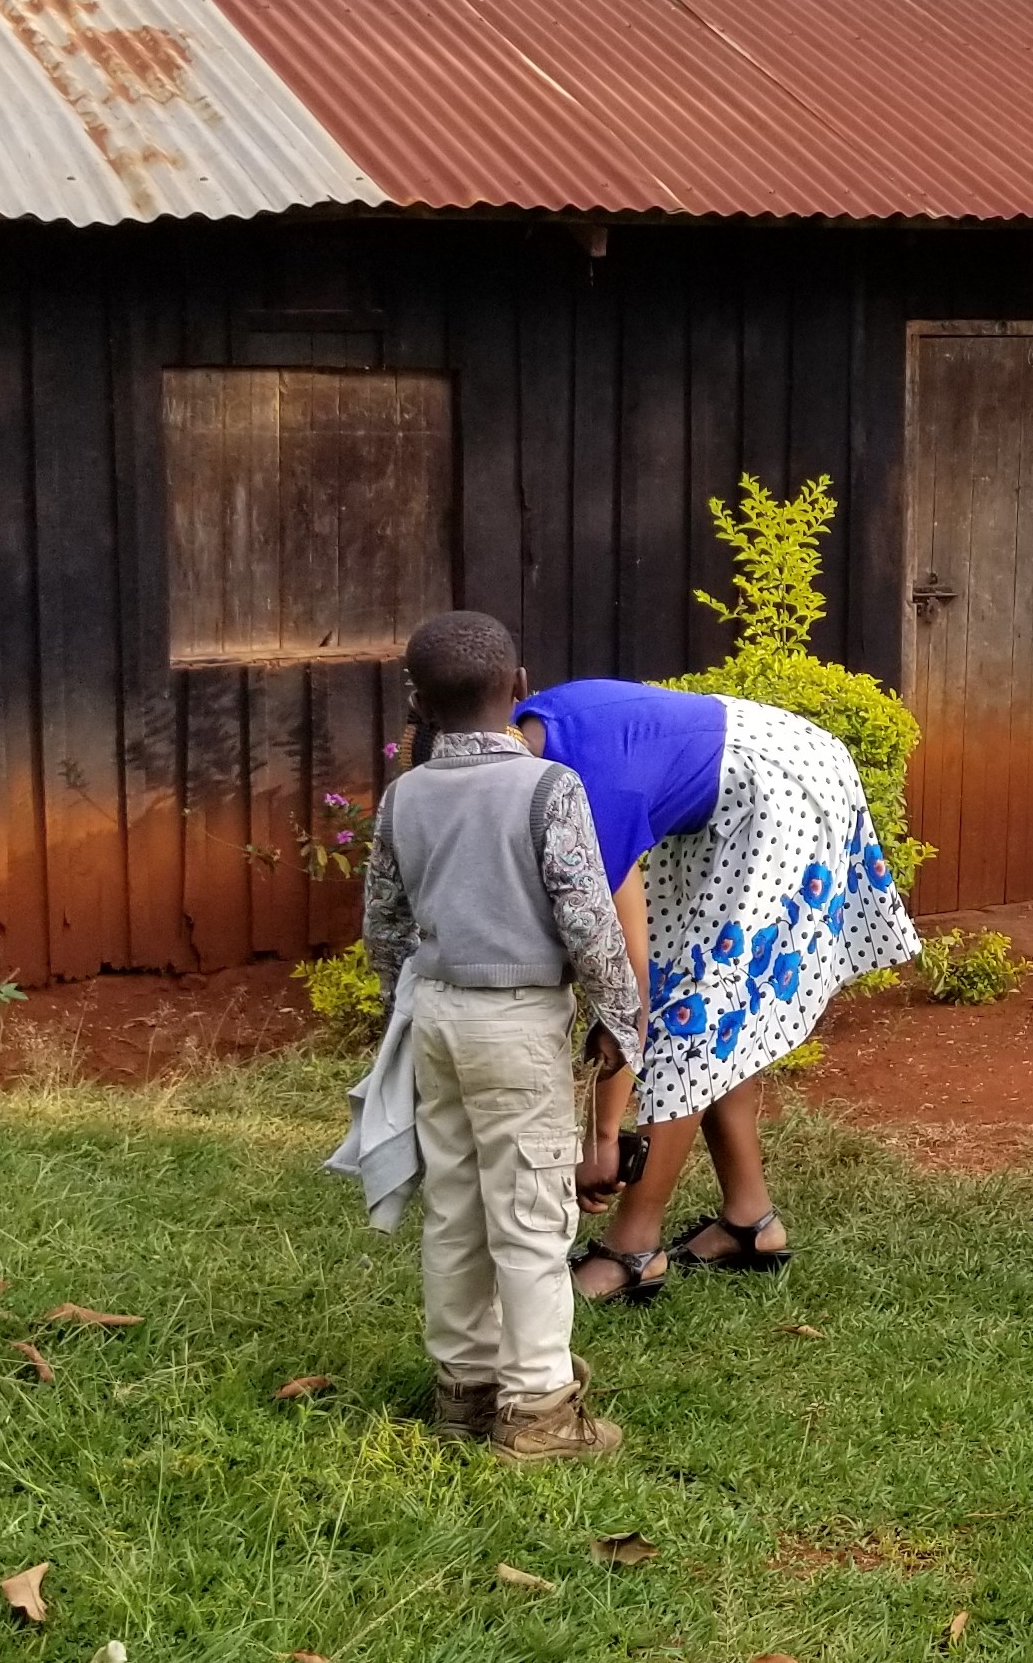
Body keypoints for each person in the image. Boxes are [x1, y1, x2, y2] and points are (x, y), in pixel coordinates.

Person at [513, 676, 921, 1305]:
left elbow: (631, 986)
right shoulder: (519, 745)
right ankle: (750, 1221)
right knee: (714, 1000)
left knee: (696, 1017)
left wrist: (601, 1139)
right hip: (727, 791)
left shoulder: (586, 797)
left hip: (782, 788)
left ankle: (634, 1249)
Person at [350, 613, 644, 1464]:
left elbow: (385, 928)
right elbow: (590, 924)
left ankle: (465, 1392)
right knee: (530, 1216)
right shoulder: (549, 789)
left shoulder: (405, 796)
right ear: (520, 686)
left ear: (417, 700)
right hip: (516, 1024)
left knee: (455, 1206)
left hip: (437, 1016)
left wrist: (404, 1007)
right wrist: (619, 1020)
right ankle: (541, 1410)